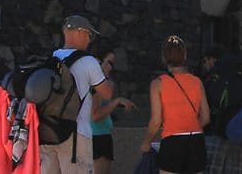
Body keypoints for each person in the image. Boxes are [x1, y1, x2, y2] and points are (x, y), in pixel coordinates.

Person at [41, 15, 112, 174]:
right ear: (80, 32)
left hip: (47, 133)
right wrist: (103, 73)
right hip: (76, 134)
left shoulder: (51, 59)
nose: (89, 40)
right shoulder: (88, 62)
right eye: (89, 35)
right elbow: (107, 94)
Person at [141, 35, 209, 174]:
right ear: (184, 56)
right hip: (196, 141)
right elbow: (206, 118)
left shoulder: (158, 84)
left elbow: (156, 121)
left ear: (164, 57)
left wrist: (146, 142)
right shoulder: (197, 82)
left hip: (172, 142)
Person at [200, 45, 242, 174]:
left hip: (214, 135)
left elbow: (205, 114)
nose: (204, 65)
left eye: (205, 61)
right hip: (236, 139)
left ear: (213, 60)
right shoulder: (241, 81)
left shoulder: (211, 80)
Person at [90, 46, 135, 174]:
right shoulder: (95, 85)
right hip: (97, 138)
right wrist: (117, 102)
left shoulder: (107, 83)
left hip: (103, 136)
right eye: (108, 63)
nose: (111, 67)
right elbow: (95, 115)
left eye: (112, 64)